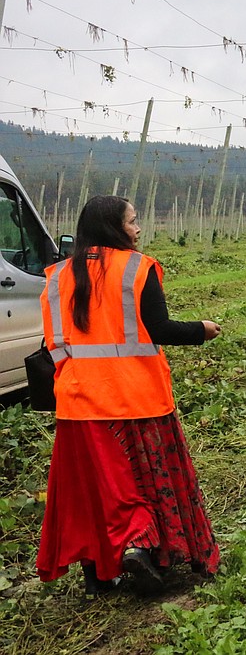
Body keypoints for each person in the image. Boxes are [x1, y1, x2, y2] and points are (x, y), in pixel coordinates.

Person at [36, 195, 222, 596]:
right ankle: (142, 547)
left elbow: (53, 344)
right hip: (135, 401)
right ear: (113, 228)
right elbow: (159, 328)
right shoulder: (137, 268)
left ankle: (99, 574)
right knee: (145, 481)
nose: (138, 229)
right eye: (133, 222)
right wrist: (201, 330)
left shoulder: (57, 276)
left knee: (92, 492)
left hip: (77, 405)